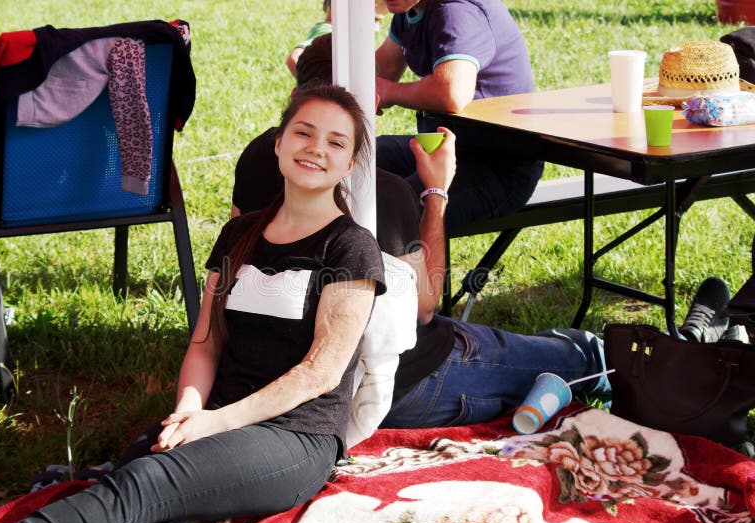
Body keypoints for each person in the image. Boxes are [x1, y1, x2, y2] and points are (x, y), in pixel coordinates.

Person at [0, 85, 387, 523]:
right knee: (141, 486)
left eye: (336, 142)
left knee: (145, 483)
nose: (317, 148)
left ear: (349, 163)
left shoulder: (351, 248)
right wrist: (187, 410)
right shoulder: (239, 233)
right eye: (304, 133)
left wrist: (215, 422)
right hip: (213, 414)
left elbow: (320, 373)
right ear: (279, 142)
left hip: (293, 436)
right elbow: (206, 342)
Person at [232, 34, 611, 440]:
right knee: (581, 355)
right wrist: (436, 191)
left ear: (295, 93)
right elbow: (424, 306)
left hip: (282, 370)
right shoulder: (378, 190)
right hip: (401, 382)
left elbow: (236, 259)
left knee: (527, 347)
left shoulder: (257, 156)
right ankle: (610, 359)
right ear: (366, 102)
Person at [374, 0, 545, 228]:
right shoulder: (409, 10)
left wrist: (390, 91)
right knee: (361, 160)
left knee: (395, 209)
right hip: (448, 149)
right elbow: (383, 67)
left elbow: (451, 93)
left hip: (496, 166)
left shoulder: (456, 11)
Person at [285, 1, 388, 78]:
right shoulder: (330, 32)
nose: (375, 29)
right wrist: (314, 89)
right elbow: (293, 58)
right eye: (372, 20)